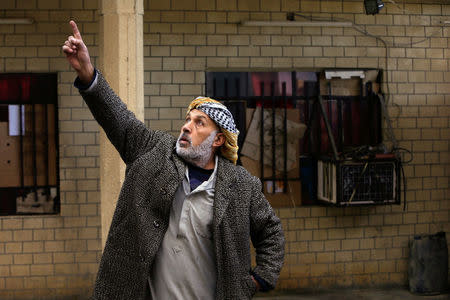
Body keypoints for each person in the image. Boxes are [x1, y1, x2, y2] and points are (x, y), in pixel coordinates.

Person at [62, 20, 285, 299]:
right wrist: (88, 75)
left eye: (199, 123)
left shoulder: (241, 185)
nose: (186, 126)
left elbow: (271, 232)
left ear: (218, 140)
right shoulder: (155, 151)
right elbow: (120, 120)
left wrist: (259, 278)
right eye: (187, 119)